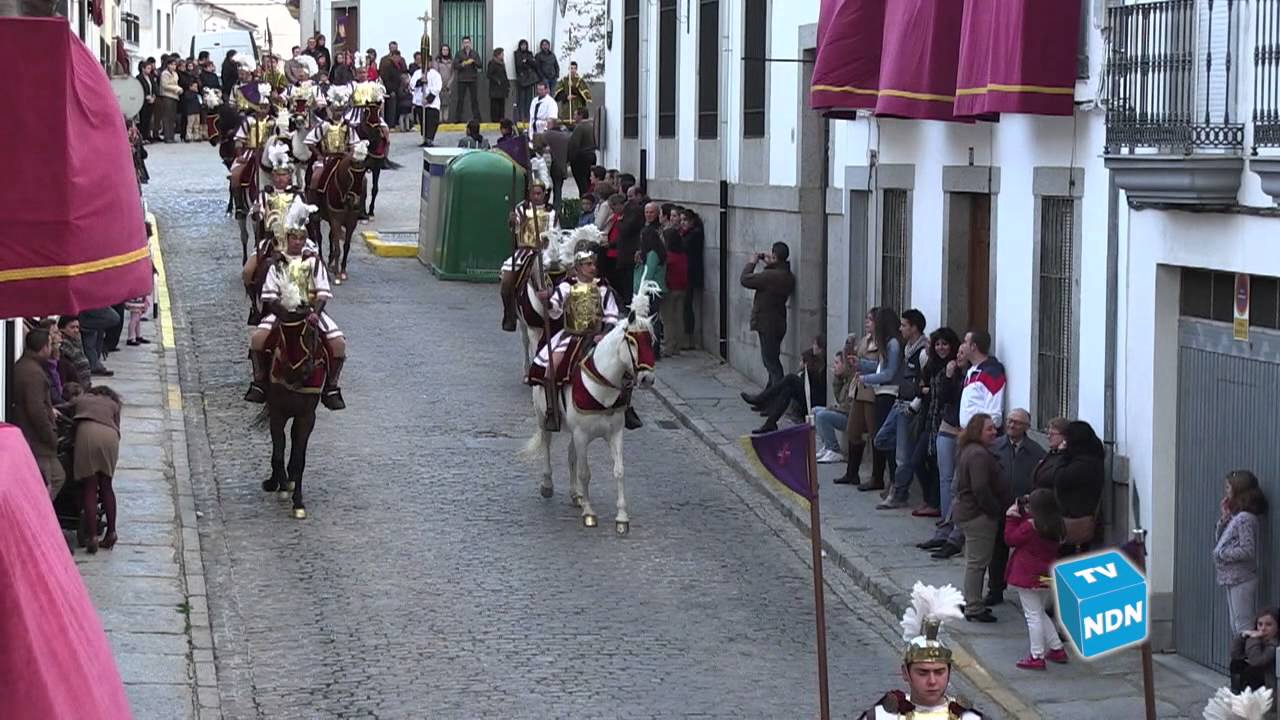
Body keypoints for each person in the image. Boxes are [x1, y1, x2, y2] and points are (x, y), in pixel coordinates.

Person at [245, 198, 347, 411]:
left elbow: (322, 293)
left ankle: (331, 387)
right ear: (287, 238)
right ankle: (260, 382)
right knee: (258, 339)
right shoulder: (277, 264)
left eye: (302, 239)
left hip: (310, 312)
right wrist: (282, 314)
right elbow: (270, 296)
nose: (298, 243)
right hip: (282, 313)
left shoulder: (313, 262)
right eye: (294, 238)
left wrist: (315, 313)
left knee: (338, 343)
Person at [527, 251, 628, 431]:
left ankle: (626, 409)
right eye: (588, 265)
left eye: (593, 264)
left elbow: (612, 316)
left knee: (626, 368)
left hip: (598, 338)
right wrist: (546, 301)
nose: (592, 268)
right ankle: (552, 411)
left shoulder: (603, 288)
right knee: (551, 368)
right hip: (571, 337)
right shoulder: (567, 286)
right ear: (578, 268)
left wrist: (604, 334)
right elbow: (555, 308)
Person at [859, 582, 984, 719]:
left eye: (939, 672)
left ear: (949, 672)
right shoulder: (881, 717)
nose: (932, 681)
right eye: (923, 672)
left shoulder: (969, 718)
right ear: (905, 672)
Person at [985, 408, 1045, 607]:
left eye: (1017, 422)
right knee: (997, 550)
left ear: (1027, 427)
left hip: (1024, 508)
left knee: (1027, 552)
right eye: (1009, 421)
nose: (1011, 425)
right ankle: (995, 589)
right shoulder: (994, 447)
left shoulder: (1036, 451)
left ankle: (1027, 588)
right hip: (999, 505)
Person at [951, 412, 1008, 623]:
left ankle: (971, 599)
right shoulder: (978, 455)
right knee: (978, 562)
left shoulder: (971, 450)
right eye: (989, 429)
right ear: (978, 431)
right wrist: (993, 510)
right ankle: (974, 606)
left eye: (994, 428)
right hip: (978, 515)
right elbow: (980, 488)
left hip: (971, 513)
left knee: (974, 560)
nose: (994, 432)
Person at [1004, 488, 1069, 670]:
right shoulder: (1057, 526)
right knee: (1040, 612)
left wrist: (1011, 518)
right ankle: (1056, 648)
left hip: (1027, 576)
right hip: (1046, 575)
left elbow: (1010, 539)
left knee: (1032, 616)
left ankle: (1036, 655)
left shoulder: (1029, 527)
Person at [876, 309, 929, 509]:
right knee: (881, 439)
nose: (900, 328)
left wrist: (916, 403)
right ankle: (900, 478)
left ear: (914, 328)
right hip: (899, 402)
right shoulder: (908, 348)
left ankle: (899, 492)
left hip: (909, 406)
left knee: (902, 456)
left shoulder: (923, 352)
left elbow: (926, 380)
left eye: (904, 325)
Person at [68, 386, 122, 554]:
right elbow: (117, 425)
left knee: (90, 487)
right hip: (110, 437)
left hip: (88, 434)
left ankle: (91, 537)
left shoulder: (83, 399)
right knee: (106, 485)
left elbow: (67, 407)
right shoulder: (113, 404)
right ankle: (111, 532)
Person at [855, 306, 903, 493]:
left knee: (886, 438)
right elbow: (880, 367)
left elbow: (888, 373)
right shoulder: (889, 344)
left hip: (889, 393)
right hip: (881, 392)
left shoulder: (893, 344)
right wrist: (861, 365)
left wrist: (866, 379)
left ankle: (892, 481)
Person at [499, 182, 558, 332]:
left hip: (546, 251)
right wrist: (512, 221)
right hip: (524, 252)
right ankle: (510, 315)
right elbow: (516, 226)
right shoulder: (521, 209)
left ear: (545, 194)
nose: (536, 196)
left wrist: (548, 241)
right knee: (507, 281)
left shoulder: (552, 213)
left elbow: (555, 232)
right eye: (533, 193)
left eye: (539, 193)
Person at [13, 328, 64, 501]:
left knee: (55, 477)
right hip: (37, 439)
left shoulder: (28, 366)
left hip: (35, 436)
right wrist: (49, 436)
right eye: (50, 345)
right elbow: (36, 410)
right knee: (50, 480)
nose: (51, 349)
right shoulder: (33, 373)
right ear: (43, 348)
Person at [1217, 470, 1269, 636]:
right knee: (1236, 624)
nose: (1226, 492)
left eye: (1228, 487)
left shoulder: (1245, 518)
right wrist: (1225, 518)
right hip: (1233, 576)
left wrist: (1222, 554)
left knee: (1243, 624)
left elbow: (1247, 549)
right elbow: (1223, 539)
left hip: (1242, 577)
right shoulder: (1237, 517)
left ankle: (1247, 658)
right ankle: (1241, 658)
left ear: (1238, 489)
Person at [834, 310, 881, 486]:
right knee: (853, 430)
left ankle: (877, 476)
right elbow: (853, 363)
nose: (866, 322)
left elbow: (880, 367)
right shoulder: (865, 340)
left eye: (870, 319)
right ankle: (852, 473)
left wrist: (860, 364)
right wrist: (849, 352)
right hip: (859, 388)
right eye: (866, 318)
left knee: (874, 433)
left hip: (872, 391)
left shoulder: (883, 343)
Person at [739, 242, 795, 388]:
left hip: (766, 324)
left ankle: (778, 398)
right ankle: (768, 396)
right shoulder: (787, 276)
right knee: (772, 360)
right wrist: (771, 264)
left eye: (772, 254)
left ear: (775, 256)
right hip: (779, 322)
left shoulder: (769, 276)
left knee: (771, 364)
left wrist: (752, 262)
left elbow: (745, 279)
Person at [744, 337, 827, 434]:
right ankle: (770, 422)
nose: (813, 346)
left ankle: (761, 398)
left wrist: (806, 371)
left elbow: (818, 388)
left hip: (816, 402)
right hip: (808, 398)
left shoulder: (824, 364)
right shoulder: (813, 357)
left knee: (791, 378)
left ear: (821, 348)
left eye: (815, 344)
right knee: (788, 390)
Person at [304, 86, 360, 193]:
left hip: (344, 159)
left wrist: (351, 154)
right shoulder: (324, 125)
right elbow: (309, 141)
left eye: (340, 110)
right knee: (315, 179)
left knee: (360, 178)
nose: (338, 113)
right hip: (327, 159)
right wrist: (319, 155)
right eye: (336, 110)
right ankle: (314, 205)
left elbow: (354, 143)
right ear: (332, 110)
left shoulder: (348, 126)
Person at [814, 335, 858, 462]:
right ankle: (827, 446)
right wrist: (837, 378)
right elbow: (839, 398)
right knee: (816, 411)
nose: (834, 366)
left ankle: (834, 449)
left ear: (846, 365)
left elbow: (848, 406)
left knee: (823, 415)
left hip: (851, 418)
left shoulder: (853, 379)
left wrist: (833, 408)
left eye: (837, 363)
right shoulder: (844, 379)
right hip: (844, 413)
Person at [634, 201, 668, 352]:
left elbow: (648, 273)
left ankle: (653, 348)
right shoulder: (650, 252)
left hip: (651, 290)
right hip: (652, 289)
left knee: (651, 320)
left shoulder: (653, 254)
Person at [958, 330, 1005, 430]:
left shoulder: (992, 373)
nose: (962, 346)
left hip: (980, 436)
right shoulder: (971, 371)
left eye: (965, 342)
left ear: (973, 346)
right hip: (968, 434)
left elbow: (995, 415)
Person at [1230, 608, 1278, 694]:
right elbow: (1235, 654)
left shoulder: (1275, 644)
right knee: (1236, 664)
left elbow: (1256, 661)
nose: (1263, 629)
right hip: (1255, 686)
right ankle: (1238, 695)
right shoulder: (1260, 640)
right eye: (1260, 624)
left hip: (1269, 687)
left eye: (1269, 625)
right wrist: (1242, 636)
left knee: (1253, 671)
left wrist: (1253, 639)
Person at [662, 210, 689, 354]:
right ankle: (678, 345)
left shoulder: (668, 256)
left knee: (668, 319)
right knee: (678, 317)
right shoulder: (682, 254)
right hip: (682, 288)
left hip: (671, 289)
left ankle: (669, 346)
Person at [533, 119, 571, 210]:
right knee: (558, 190)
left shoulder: (547, 135)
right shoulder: (566, 136)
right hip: (562, 166)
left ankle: (546, 207)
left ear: (551, 125)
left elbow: (537, 146)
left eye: (548, 123)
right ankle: (558, 209)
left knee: (546, 187)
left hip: (551, 166)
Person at [567, 107, 597, 197]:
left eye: (575, 114)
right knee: (588, 182)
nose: (574, 117)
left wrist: (569, 158)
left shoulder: (580, 127)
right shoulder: (592, 126)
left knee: (582, 183)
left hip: (581, 157)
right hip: (592, 155)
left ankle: (584, 200)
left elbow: (574, 144)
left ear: (581, 115)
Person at [453, 35, 482, 122]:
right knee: (460, 100)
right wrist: (463, 64)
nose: (466, 44)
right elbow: (455, 65)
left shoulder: (475, 53)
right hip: (462, 79)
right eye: (465, 43)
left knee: (474, 100)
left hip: (473, 79)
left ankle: (477, 118)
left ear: (470, 43)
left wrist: (473, 62)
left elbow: (480, 65)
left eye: (468, 42)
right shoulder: (459, 53)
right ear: (462, 44)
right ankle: (458, 119)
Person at [57, 316, 92, 389]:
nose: (76, 330)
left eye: (77, 327)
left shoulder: (76, 342)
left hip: (85, 386)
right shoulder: (64, 345)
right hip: (74, 389)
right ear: (62, 329)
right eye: (72, 327)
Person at [378, 41, 404, 128]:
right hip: (389, 89)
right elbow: (385, 77)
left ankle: (400, 123)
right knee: (391, 103)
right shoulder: (385, 61)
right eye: (392, 47)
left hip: (399, 88)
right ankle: (391, 123)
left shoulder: (401, 61)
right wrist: (390, 90)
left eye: (395, 47)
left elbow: (404, 72)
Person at [157, 56, 181, 143]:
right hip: (167, 96)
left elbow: (176, 83)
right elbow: (165, 85)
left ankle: (172, 135)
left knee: (172, 117)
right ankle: (167, 136)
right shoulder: (165, 74)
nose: (173, 66)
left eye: (175, 65)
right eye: (172, 65)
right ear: (168, 65)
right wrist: (176, 89)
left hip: (175, 96)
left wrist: (178, 89)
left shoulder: (175, 74)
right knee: (167, 117)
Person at [514, 39, 539, 122]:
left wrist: (527, 61)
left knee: (529, 99)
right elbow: (518, 65)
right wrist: (527, 63)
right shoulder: (517, 53)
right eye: (522, 45)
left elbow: (534, 64)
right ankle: (521, 117)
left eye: (525, 45)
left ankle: (528, 117)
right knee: (521, 99)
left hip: (530, 80)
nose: (524, 47)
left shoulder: (529, 54)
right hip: (521, 79)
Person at [487, 47, 510, 121]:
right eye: (502, 54)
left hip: (502, 88)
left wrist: (507, 84)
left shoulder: (502, 63)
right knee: (495, 107)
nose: (503, 55)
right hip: (495, 89)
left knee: (501, 106)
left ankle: (501, 120)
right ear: (497, 55)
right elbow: (489, 74)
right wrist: (497, 80)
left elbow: (504, 74)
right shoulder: (492, 63)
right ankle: (495, 121)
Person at [434, 44, 455, 124]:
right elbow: (436, 73)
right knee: (439, 102)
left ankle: (446, 119)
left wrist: (449, 84)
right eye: (443, 50)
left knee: (447, 103)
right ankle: (439, 119)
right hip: (439, 85)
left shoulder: (451, 61)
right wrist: (440, 84)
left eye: (446, 50)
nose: (445, 51)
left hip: (448, 85)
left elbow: (453, 74)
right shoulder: (437, 61)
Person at [136, 59, 156, 141]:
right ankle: (142, 137)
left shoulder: (151, 77)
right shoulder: (139, 78)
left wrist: (153, 96)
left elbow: (154, 87)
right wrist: (146, 97)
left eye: (150, 68)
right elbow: (139, 89)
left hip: (151, 100)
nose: (149, 70)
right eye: (148, 68)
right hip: (143, 101)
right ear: (143, 69)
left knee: (149, 119)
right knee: (143, 119)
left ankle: (147, 135)